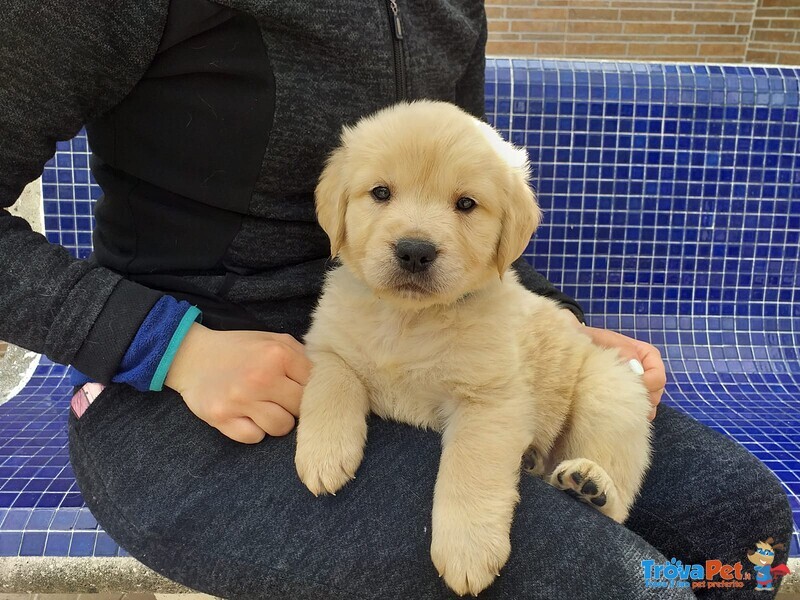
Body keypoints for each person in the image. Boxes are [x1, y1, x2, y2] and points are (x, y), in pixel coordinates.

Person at [0, 1, 792, 598]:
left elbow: (468, 205)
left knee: (744, 530)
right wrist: (163, 343)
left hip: (441, 345)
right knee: (603, 582)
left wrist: (564, 329)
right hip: (187, 389)